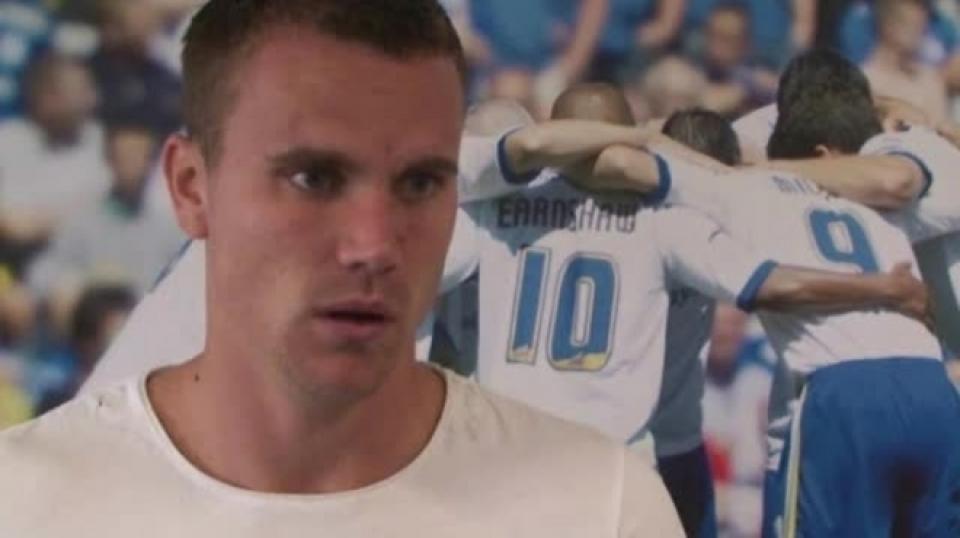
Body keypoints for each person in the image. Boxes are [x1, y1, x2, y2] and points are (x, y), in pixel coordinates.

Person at [0, 2, 687, 536]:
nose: (373, 244)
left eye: (419, 183)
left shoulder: (599, 507)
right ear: (189, 188)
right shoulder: (26, 504)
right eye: (314, 178)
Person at [578, 107, 960, 537]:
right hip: (933, 387)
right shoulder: (876, 200)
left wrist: (648, 139)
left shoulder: (734, 188)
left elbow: (620, 163)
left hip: (846, 392)